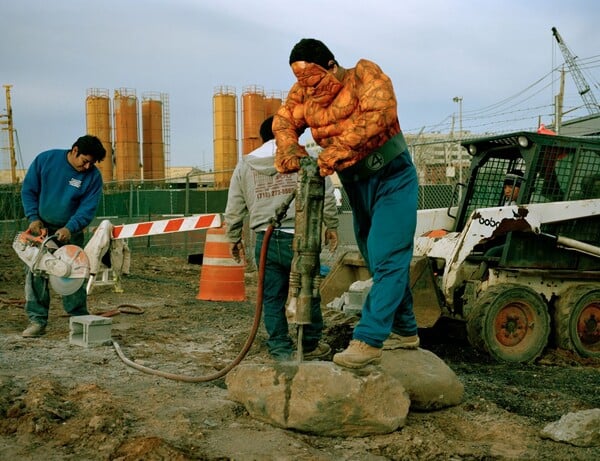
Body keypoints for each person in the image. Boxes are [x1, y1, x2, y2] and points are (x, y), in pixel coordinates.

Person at [273, 38, 420, 369]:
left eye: (314, 80)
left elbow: (381, 112)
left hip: (392, 179)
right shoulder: (302, 94)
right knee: (377, 258)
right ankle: (406, 329)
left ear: (331, 67)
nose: (310, 90)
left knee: (387, 256)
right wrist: (288, 149)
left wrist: (338, 149)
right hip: (356, 186)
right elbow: (282, 122)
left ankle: (368, 339)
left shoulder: (364, 75)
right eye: (302, 83)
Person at [224, 116, 339, 362]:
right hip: (301, 238)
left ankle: (280, 349)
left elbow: (235, 205)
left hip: (264, 241)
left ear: (262, 137)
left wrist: (233, 237)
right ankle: (308, 344)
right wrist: (332, 225)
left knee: (272, 297)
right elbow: (325, 193)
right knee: (309, 290)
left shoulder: (246, 165)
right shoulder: (305, 159)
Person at [20, 135, 106, 337]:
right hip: (39, 229)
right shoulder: (46, 160)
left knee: (74, 274)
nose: (87, 167)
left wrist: (70, 227)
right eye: (85, 161)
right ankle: (37, 321)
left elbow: (87, 208)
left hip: (70, 232)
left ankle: (79, 318)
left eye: (91, 163)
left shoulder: (93, 177)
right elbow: (28, 190)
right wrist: (33, 218)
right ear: (75, 150)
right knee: (35, 273)